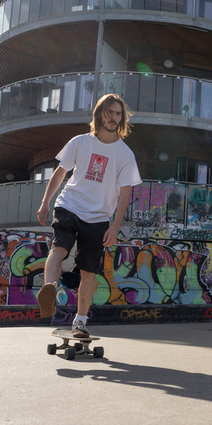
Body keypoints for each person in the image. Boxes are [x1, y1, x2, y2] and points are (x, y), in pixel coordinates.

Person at [36, 94, 142, 337]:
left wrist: (115, 226)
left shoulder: (125, 154)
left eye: (118, 114)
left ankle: (80, 321)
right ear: (99, 114)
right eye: (109, 112)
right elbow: (60, 173)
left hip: (98, 217)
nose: (114, 118)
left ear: (122, 119)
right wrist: (45, 202)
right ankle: (49, 291)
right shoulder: (80, 142)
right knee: (59, 249)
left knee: (88, 271)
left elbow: (125, 195)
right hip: (70, 205)